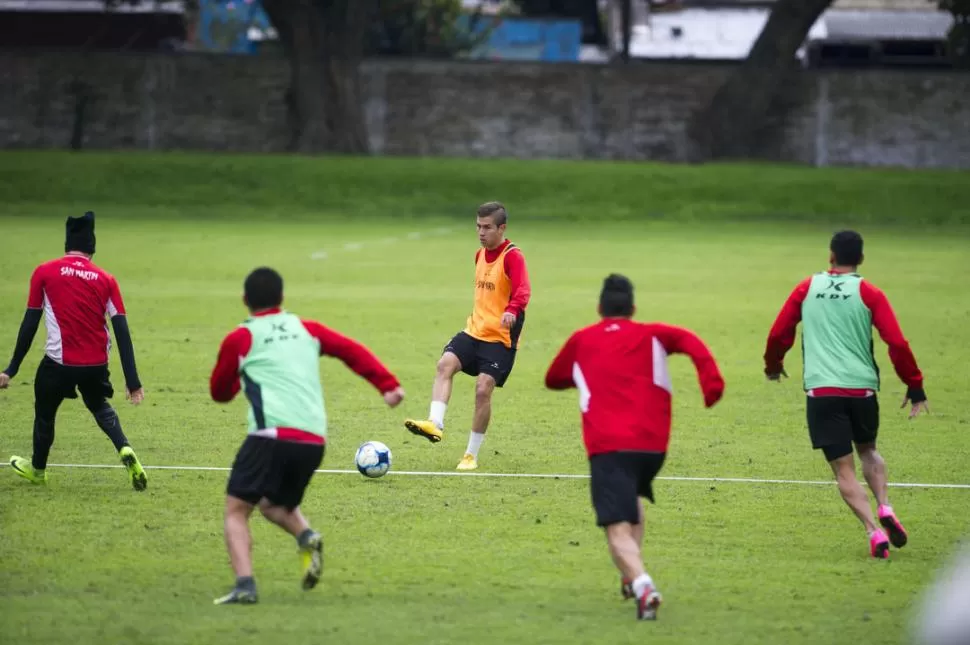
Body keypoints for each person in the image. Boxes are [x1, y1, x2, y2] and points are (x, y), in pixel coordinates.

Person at [209, 267, 405, 605]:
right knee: (274, 505)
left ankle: (245, 585)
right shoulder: (306, 328)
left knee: (237, 510)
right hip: (314, 441)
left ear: (245, 300)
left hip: (268, 436)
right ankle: (306, 535)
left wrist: (240, 379)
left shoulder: (241, 338)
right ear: (282, 298)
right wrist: (387, 385)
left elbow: (219, 392)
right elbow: (350, 349)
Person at [545, 274, 725, 621]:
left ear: (599, 308)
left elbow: (554, 378)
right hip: (652, 447)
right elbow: (692, 342)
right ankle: (631, 574)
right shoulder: (655, 334)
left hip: (609, 446)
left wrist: (586, 372)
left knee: (615, 527)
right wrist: (711, 384)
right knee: (633, 503)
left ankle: (644, 585)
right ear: (633, 308)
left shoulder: (583, 340)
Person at [763, 230, 929, 559]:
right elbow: (896, 343)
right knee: (869, 450)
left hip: (822, 389)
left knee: (843, 469)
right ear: (861, 259)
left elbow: (780, 332)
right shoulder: (869, 292)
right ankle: (884, 505)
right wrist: (914, 384)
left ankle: (873, 531)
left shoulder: (807, 287)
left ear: (830, 255)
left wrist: (773, 364)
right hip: (862, 387)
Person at [1, 211, 148, 490]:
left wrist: (11, 368)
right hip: (94, 364)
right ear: (92, 248)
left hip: (57, 363)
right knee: (100, 406)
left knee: (45, 412)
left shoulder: (44, 272)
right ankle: (124, 448)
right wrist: (133, 381)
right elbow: (122, 330)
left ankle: (38, 469)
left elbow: (30, 322)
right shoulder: (106, 279)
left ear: (66, 244)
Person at [404, 201, 531, 471]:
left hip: (500, 339)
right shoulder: (478, 255)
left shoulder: (512, 256)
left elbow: (523, 290)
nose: (481, 232)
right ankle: (435, 424)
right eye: (478, 226)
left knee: (483, 389)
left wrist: (512, 309)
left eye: (487, 227)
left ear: (502, 228)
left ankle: (470, 455)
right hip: (474, 331)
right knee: (444, 365)